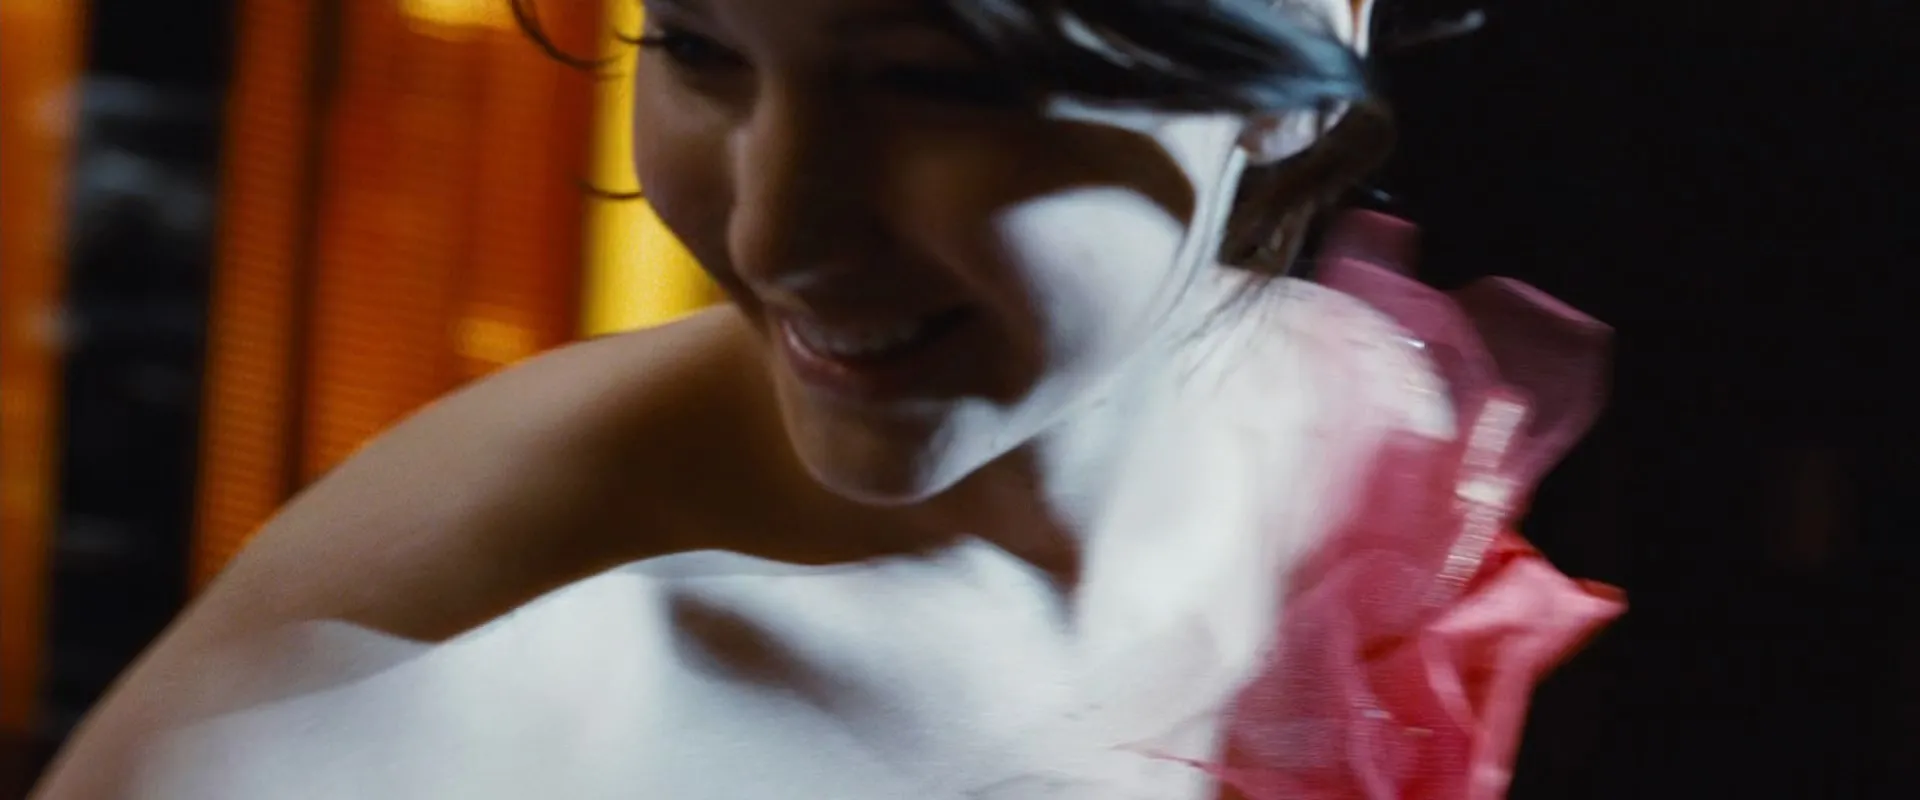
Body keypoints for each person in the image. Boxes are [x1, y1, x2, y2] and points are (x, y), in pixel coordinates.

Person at [34, 0, 1621, 797]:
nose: (775, 230)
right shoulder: (428, 723)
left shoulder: (1355, 426)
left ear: (1301, 46)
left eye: (931, 78)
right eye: (697, 46)